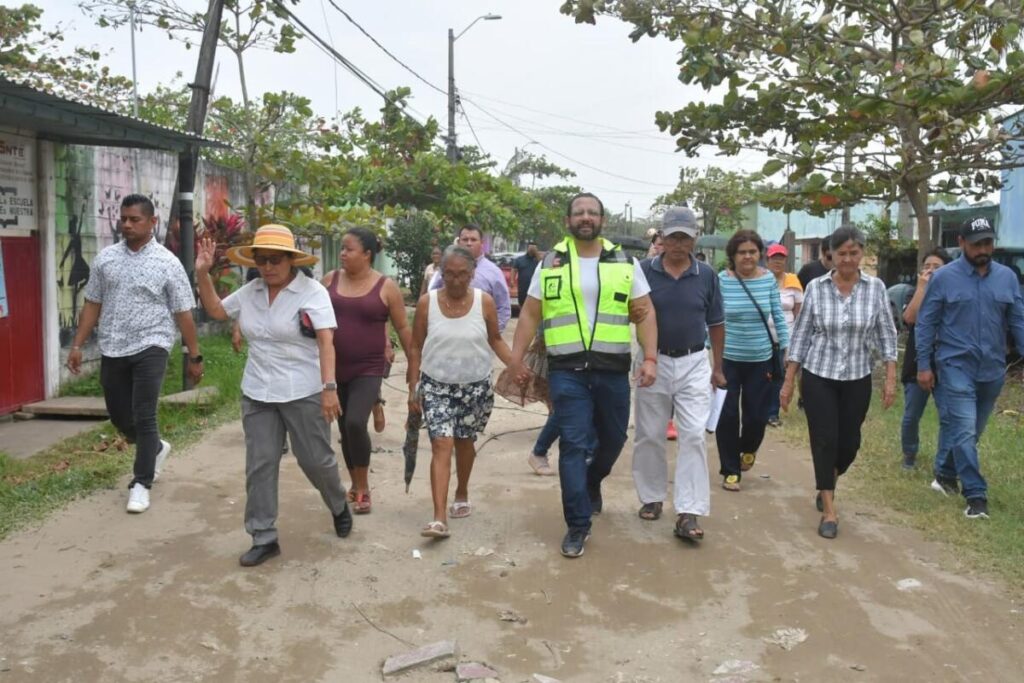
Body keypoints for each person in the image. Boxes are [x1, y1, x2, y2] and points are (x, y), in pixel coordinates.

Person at [510, 192, 658, 558]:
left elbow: (645, 312)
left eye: (593, 212)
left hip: (612, 370)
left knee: (613, 440)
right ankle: (577, 524)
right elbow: (530, 314)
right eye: (579, 212)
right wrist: (515, 360)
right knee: (574, 445)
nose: (586, 217)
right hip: (567, 370)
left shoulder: (624, 262)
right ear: (568, 221)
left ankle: (592, 483)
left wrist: (650, 358)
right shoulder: (551, 262)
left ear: (602, 220)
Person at [194, 225, 351, 567]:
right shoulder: (251, 291)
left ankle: (338, 502)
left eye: (275, 260)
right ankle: (263, 536)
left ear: (291, 260)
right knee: (260, 464)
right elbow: (218, 312)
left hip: (304, 390)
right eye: (261, 260)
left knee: (315, 460)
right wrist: (202, 274)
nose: (267, 267)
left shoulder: (311, 292)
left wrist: (329, 389)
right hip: (258, 391)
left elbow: (326, 341)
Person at [67, 194, 203, 514]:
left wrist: (194, 355)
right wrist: (77, 345)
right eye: (123, 218)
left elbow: (183, 312)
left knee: (144, 413)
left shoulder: (168, 263)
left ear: (152, 222)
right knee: (119, 415)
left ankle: (141, 482)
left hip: (152, 345)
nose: (126, 224)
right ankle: (155, 448)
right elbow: (92, 303)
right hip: (113, 345)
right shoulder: (106, 259)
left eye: (134, 219)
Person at [781, 226, 898, 539]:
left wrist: (890, 378)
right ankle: (829, 510)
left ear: (861, 254)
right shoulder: (817, 288)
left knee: (849, 444)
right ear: (830, 254)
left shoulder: (875, 288)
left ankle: (828, 480)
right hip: (819, 375)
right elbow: (801, 334)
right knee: (824, 439)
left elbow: (887, 334)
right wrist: (789, 381)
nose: (847, 259)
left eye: (853, 253)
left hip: (857, 376)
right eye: (841, 253)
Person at [915, 217, 1024, 519]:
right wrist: (924, 365)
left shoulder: (1007, 278)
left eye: (987, 242)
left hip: (992, 369)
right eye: (976, 243)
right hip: (954, 365)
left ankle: (946, 474)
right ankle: (976, 497)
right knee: (963, 428)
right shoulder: (944, 278)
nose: (983, 248)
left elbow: (1018, 321)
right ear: (961, 243)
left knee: (971, 432)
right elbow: (926, 323)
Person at [406, 245, 513, 538]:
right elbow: (415, 346)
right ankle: (439, 517)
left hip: (475, 386)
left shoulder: (485, 302)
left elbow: (496, 339)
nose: (455, 280)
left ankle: (462, 490)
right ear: (441, 273)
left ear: (472, 274)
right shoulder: (427, 303)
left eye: (462, 274)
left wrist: (516, 365)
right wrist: (412, 387)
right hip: (436, 385)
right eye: (449, 274)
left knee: (465, 443)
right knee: (442, 443)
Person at [632, 206, 725, 542]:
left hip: (693, 362)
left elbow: (716, 323)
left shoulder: (707, 275)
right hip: (652, 361)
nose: (678, 243)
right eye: (672, 237)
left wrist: (718, 367)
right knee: (650, 433)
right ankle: (652, 496)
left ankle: (689, 510)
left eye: (685, 237)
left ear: (693, 239)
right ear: (662, 238)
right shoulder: (642, 271)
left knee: (694, 436)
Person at [322, 227, 414, 514]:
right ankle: (353, 482)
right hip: (335, 367)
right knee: (344, 429)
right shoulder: (329, 281)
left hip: (369, 367)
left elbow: (402, 327)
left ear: (367, 254)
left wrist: (414, 363)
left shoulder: (385, 286)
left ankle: (363, 487)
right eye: (342, 249)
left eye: (348, 249)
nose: (343, 254)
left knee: (353, 423)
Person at [716, 230, 789, 492]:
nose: (747, 257)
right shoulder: (721, 280)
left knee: (757, 415)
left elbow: (778, 315)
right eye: (742, 252)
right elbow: (711, 320)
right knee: (727, 415)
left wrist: (786, 346)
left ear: (760, 254)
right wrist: (708, 351)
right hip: (728, 358)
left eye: (752, 252)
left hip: (761, 358)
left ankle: (748, 448)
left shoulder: (768, 279)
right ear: (733, 256)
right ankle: (730, 470)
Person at [899, 248, 952, 470]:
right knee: (911, 416)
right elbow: (909, 318)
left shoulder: (953, 292)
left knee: (948, 419)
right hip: (917, 361)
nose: (930, 270)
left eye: (936, 267)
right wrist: (922, 288)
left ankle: (943, 465)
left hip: (946, 363)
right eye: (926, 266)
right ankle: (909, 454)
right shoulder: (915, 292)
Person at [430, 224, 512, 332]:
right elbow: (433, 296)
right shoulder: (446, 267)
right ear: (459, 242)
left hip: (480, 339)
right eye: (465, 239)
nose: (469, 243)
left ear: (482, 243)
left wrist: (491, 335)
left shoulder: (494, 273)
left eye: (473, 240)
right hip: (446, 332)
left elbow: (503, 308)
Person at [765, 243, 803, 427]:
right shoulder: (760, 279)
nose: (777, 261)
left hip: (784, 338)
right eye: (774, 257)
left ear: (786, 260)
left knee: (779, 375)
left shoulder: (793, 282)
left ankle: (772, 413)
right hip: (762, 338)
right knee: (763, 375)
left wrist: (794, 342)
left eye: (781, 257)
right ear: (767, 260)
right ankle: (758, 410)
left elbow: (798, 314)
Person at [513, 242, 542, 311]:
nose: (532, 249)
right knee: (522, 304)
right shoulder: (520, 259)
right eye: (530, 247)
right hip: (523, 287)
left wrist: (536, 253)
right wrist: (512, 280)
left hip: (535, 288)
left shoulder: (538, 260)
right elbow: (514, 269)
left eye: (534, 247)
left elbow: (543, 264)